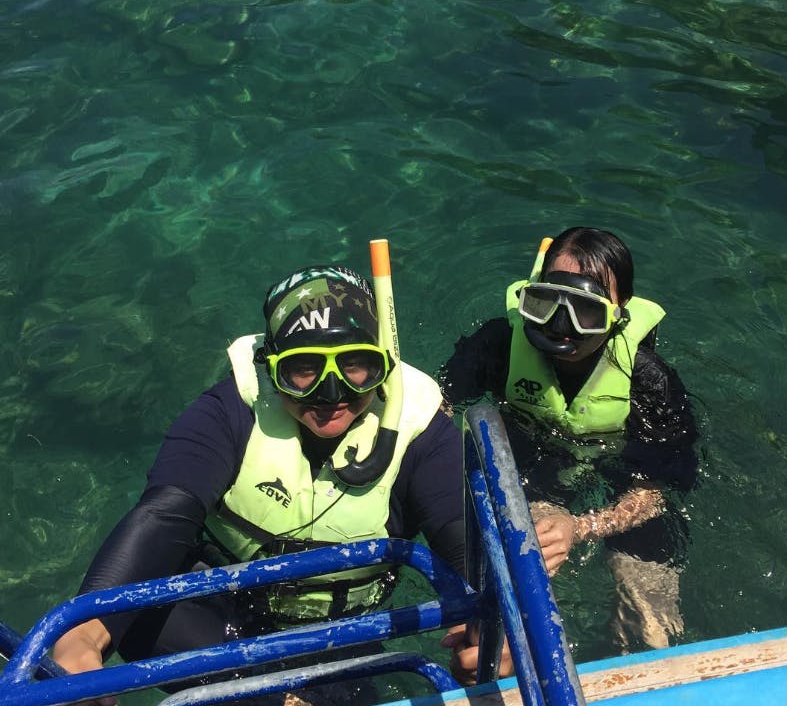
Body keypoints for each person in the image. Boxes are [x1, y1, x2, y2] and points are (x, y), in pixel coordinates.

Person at [52, 263, 467, 706]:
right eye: (303, 369)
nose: (332, 394)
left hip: (342, 634)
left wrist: (490, 621)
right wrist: (83, 636)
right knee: (137, 624)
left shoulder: (423, 432)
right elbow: (165, 514)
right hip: (217, 613)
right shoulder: (226, 413)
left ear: (383, 363)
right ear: (270, 369)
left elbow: (462, 537)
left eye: (356, 365)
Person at [440, 226, 699, 656]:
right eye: (546, 306)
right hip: (530, 467)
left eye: (586, 313)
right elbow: (438, 409)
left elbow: (659, 490)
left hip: (622, 483)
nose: (562, 328)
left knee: (649, 622)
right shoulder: (500, 344)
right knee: (502, 602)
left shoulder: (649, 380)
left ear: (620, 313)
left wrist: (581, 528)